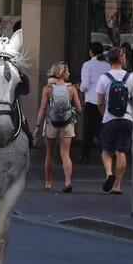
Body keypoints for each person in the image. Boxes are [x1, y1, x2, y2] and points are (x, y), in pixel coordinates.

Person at [33, 62, 82, 192]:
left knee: (50, 154)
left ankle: (48, 183)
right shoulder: (71, 89)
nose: (69, 73)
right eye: (67, 72)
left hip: (51, 123)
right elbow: (79, 108)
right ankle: (67, 182)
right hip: (67, 124)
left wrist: (37, 126)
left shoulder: (47, 89)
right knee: (65, 154)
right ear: (62, 73)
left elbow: (42, 109)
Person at [96, 46, 133, 195]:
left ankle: (109, 173)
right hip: (127, 119)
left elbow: (100, 102)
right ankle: (117, 185)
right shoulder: (131, 77)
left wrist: (103, 114)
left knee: (106, 150)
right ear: (121, 59)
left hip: (109, 118)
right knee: (121, 151)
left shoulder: (104, 78)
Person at [79, 42, 110, 164]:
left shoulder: (87, 65)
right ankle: (107, 150)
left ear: (91, 52)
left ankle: (85, 154)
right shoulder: (107, 65)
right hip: (104, 100)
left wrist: (80, 87)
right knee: (102, 126)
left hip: (91, 100)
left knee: (89, 128)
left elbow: (85, 86)